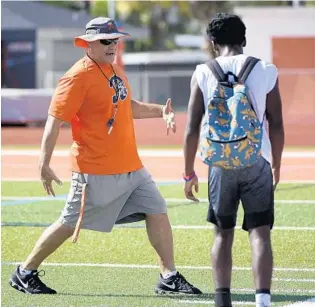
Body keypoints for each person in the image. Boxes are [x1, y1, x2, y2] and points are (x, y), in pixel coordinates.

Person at [9, 17, 202, 296]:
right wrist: (43, 163)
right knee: (67, 223)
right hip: (94, 170)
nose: (113, 45)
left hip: (131, 167)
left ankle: (168, 276)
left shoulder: (114, 70)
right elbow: (54, 121)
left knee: (157, 209)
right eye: (105, 41)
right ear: (89, 44)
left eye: (115, 40)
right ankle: (25, 272)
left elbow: (127, 106)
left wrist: (161, 110)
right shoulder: (77, 76)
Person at [183, 13, 284, 307]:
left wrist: (189, 173)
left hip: (219, 163)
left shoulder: (203, 72)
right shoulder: (265, 69)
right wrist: (275, 163)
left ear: (213, 43)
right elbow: (276, 123)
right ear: (244, 39)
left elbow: (191, 128)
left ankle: (222, 301)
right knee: (260, 232)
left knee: (222, 233)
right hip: (257, 159)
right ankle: (262, 301)